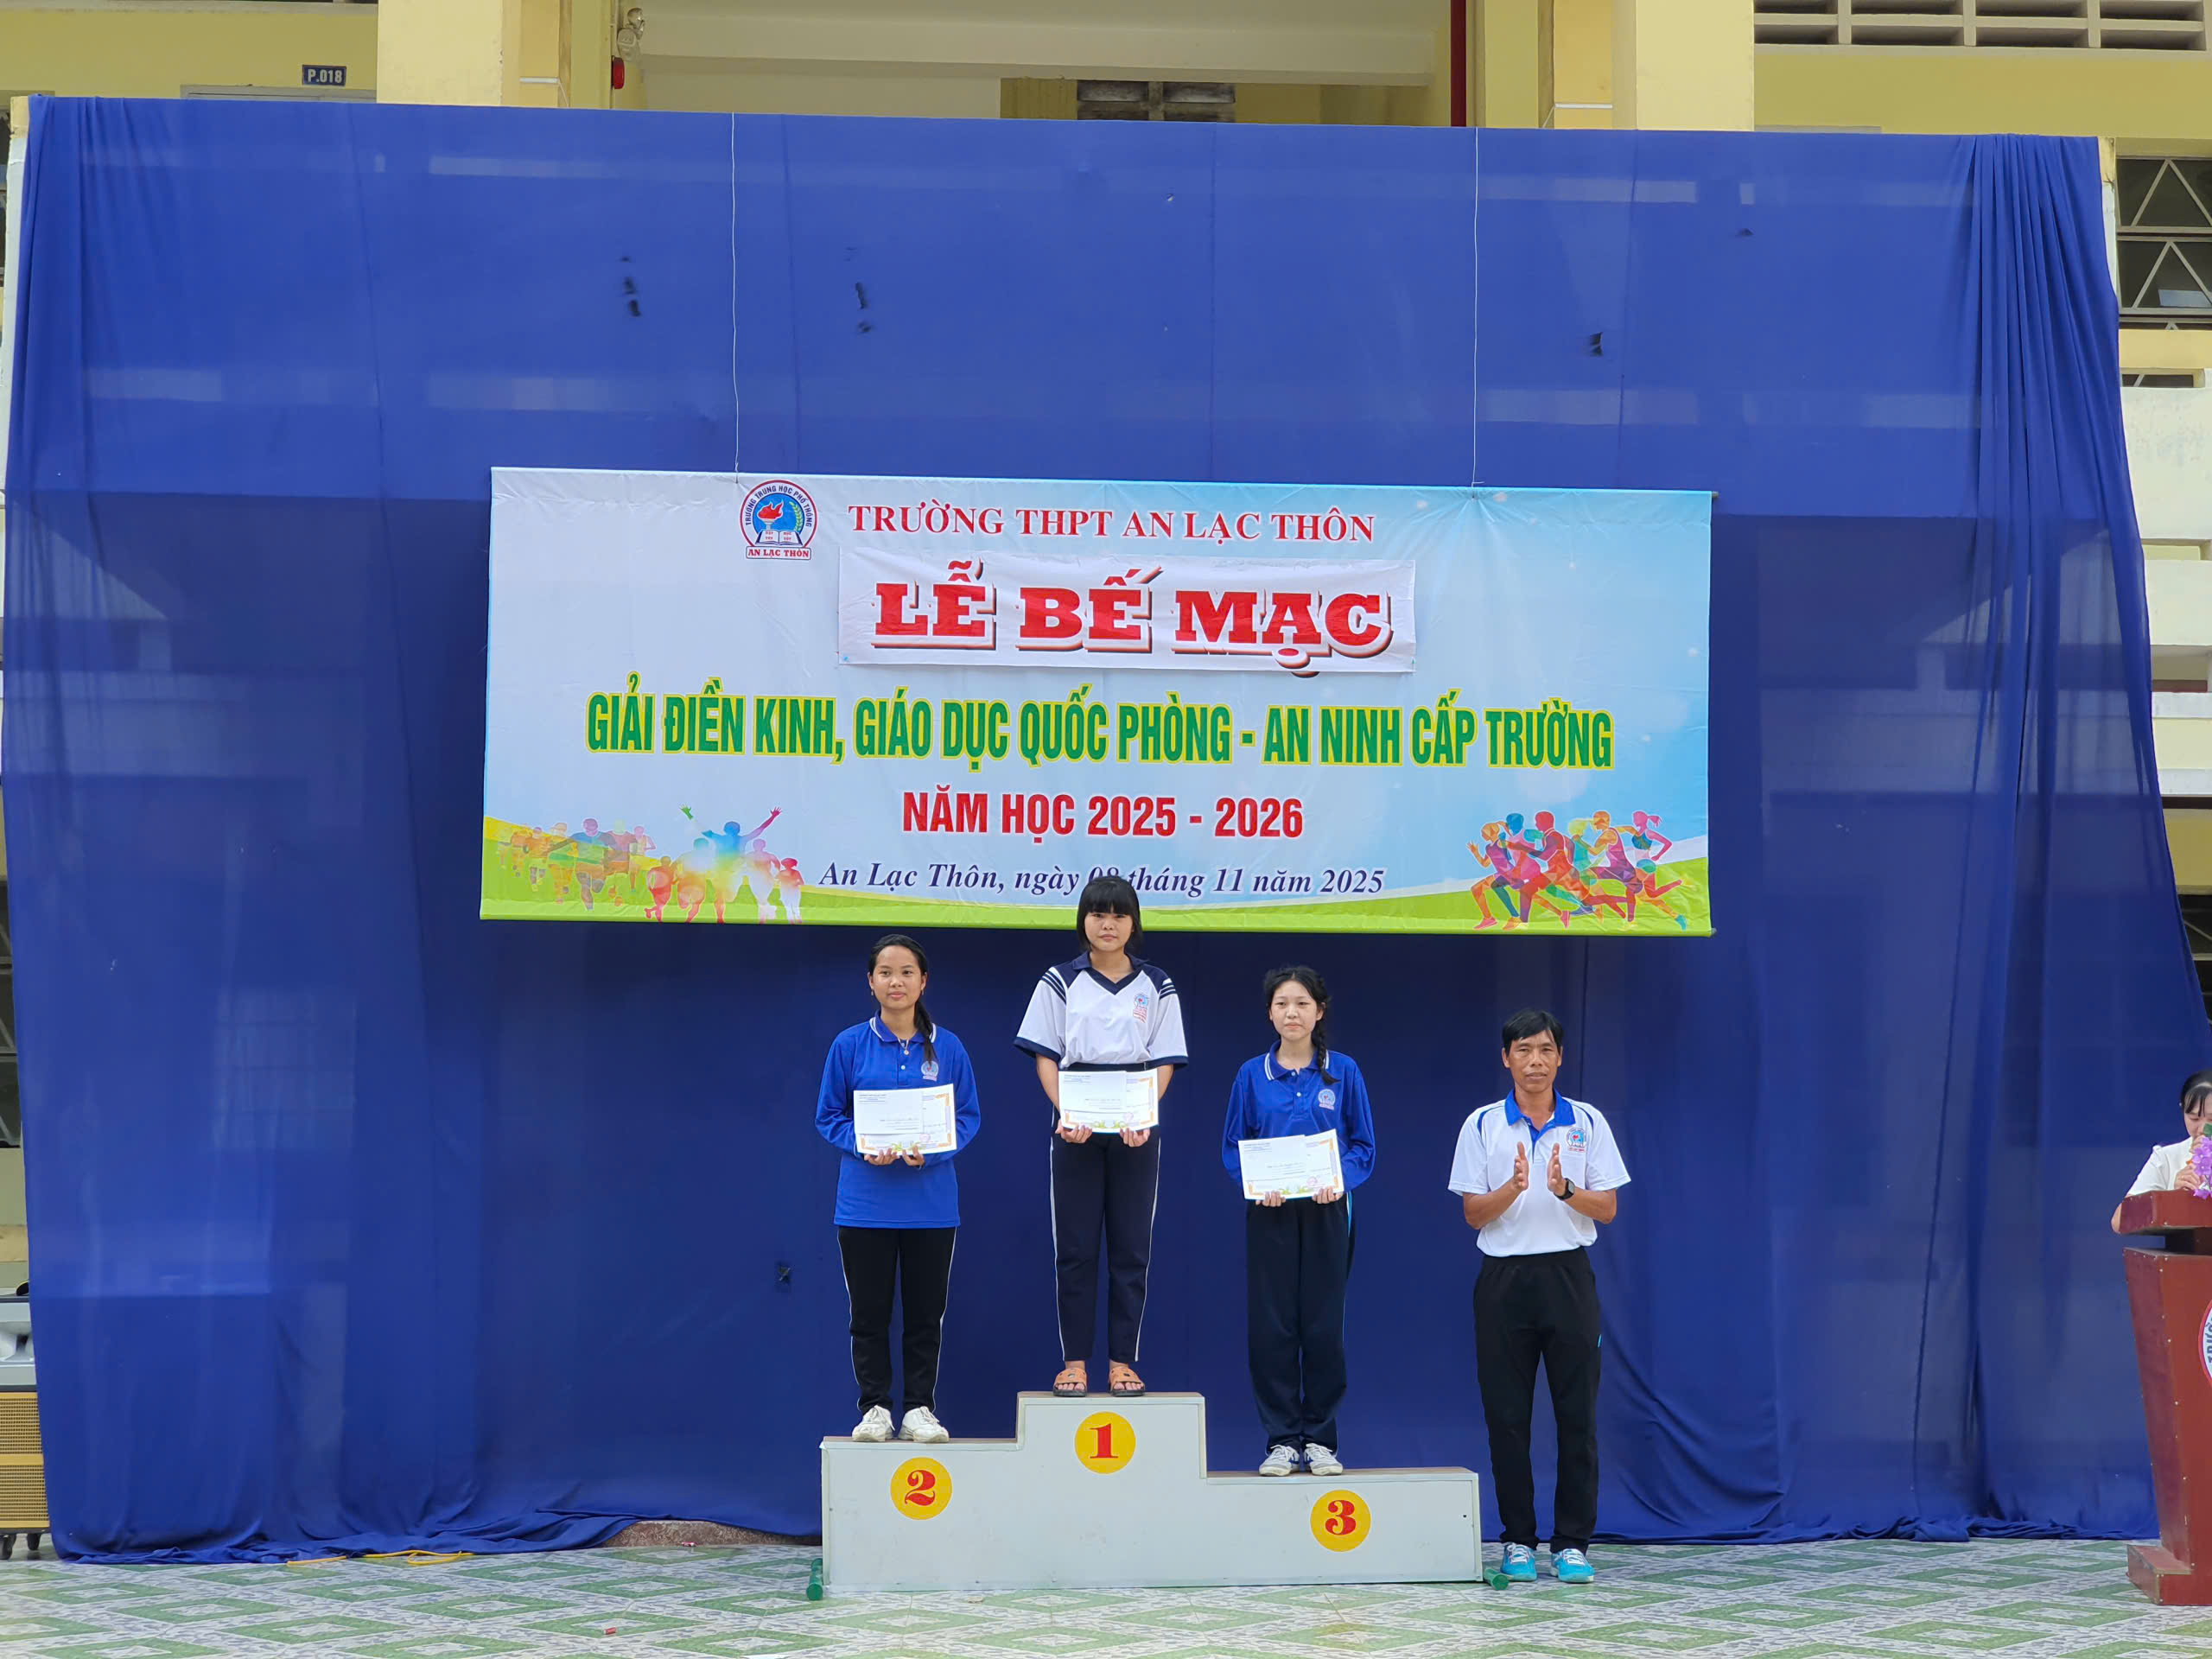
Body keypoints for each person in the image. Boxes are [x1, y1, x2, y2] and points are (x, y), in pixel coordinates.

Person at [1447, 1008, 1630, 1586]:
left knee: (1578, 1418)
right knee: (1508, 1418)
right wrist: (1513, 1188)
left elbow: (1608, 1208)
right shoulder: (1482, 1124)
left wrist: (1565, 1190)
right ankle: (1518, 1541)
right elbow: (1473, 1213)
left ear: (1560, 1058)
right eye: (1523, 1050)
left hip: (1568, 1277)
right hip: (1504, 1281)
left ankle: (1571, 1543)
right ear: (1506, 1058)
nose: (1535, 1061)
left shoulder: (1588, 1122)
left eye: (1545, 1050)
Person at [1015, 874, 1188, 1398]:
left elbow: (1164, 1059)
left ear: (1133, 923)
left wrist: (1144, 1113)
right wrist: (1066, 1111)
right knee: (1075, 1248)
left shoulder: (1157, 983)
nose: (1107, 924)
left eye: (1118, 915)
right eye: (1097, 914)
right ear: (1083, 921)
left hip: (1136, 1125)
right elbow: (1046, 1056)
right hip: (1076, 1124)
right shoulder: (1059, 980)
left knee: (1132, 1248)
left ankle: (1122, 1363)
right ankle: (1074, 1363)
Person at [816, 933, 982, 1444]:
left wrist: (931, 1152)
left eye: (907, 972)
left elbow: (967, 1117)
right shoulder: (849, 1045)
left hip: (931, 1208)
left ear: (923, 981)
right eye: (885, 972)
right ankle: (875, 1408)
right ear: (870, 982)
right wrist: (864, 1144)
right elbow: (829, 1116)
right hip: (864, 1207)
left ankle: (919, 1409)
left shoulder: (948, 1047)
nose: (896, 982)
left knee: (925, 1316)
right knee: (869, 1315)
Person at [1220, 965, 1376, 1477]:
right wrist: (1255, 1182)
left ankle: (1322, 1439)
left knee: (1323, 1325)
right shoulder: (1252, 1075)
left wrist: (1340, 1180)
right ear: (1270, 1013)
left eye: (1303, 1003)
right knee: (1273, 1326)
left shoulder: (1343, 1072)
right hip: (1270, 1212)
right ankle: (1283, 1440)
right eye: (1282, 1003)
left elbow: (1363, 1146)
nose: (1292, 1012)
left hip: (1329, 1210)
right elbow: (1234, 1146)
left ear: (1320, 1012)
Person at [2109, 1069, 2212, 1232]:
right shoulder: (2166, 1157)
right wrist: (2173, 1197)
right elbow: (2120, 1221)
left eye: (2211, 1119)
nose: (2202, 1129)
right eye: (2194, 1118)